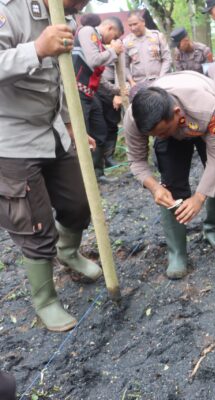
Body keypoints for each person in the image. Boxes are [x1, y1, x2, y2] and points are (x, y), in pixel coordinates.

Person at [0, 0, 103, 333]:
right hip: (10, 134)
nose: (83, 3)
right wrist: (36, 49)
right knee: (34, 221)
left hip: (52, 127)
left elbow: (57, 78)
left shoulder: (63, 14)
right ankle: (45, 300)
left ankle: (69, 250)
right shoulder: (8, 9)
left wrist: (71, 125)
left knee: (79, 198)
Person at [124, 71, 215, 278]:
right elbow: (137, 160)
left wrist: (199, 198)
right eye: (153, 136)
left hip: (208, 120)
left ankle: (212, 229)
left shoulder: (207, 108)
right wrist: (154, 187)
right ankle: (177, 253)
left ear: (177, 113)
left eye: (162, 133)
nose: (159, 138)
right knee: (172, 185)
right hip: (175, 121)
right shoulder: (134, 117)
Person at [73, 16, 124, 182]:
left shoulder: (100, 44)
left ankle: (97, 174)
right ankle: (82, 180)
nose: (114, 41)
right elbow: (93, 61)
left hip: (90, 94)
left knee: (100, 131)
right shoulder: (88, 31)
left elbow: (98, 78)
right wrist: (113, 51)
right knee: (82, 135)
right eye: (115, 36)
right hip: (77, 93)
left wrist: (118, 90)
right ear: (109, 28)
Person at [123, 11, 171, 86]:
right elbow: (124, 66)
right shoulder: (126, 42)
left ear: (143, 22)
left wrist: (161, 78)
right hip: (139, 84)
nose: (133, 28)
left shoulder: (157, 36)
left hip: (159, 81)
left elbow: (167, 59)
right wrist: (131, 81)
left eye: (135, 24)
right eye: (130, 25)